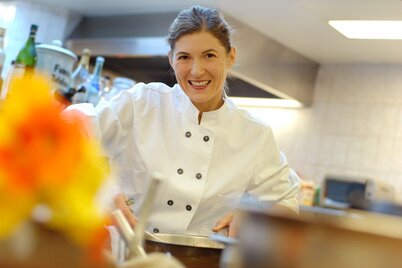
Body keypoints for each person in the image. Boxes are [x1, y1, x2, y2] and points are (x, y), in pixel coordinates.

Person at [64, 5, 300, 238]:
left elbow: (287, 201)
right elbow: (66, 135)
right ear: (171, 59)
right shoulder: (141, 103)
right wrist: (102, 190)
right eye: (184, 57)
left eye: (209, 55)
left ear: (230, 57)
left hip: (198, 262)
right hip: (123, 255)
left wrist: (253, 217)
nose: (196, 71)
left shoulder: (254, 135)